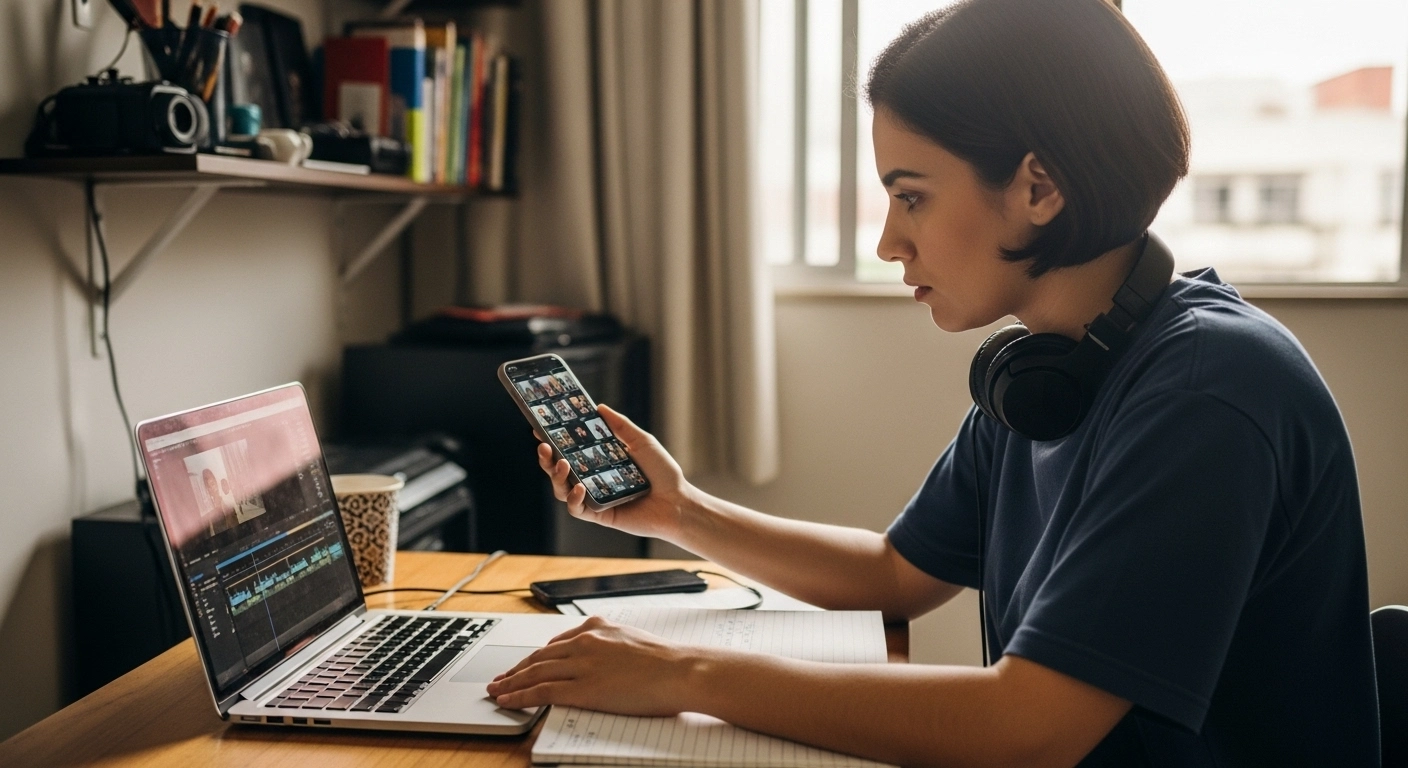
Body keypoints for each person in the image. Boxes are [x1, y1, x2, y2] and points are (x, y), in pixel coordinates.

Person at [486, 1, 1380, 765]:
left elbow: (1032, 730)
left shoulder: (1205, 391)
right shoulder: (1050, 369)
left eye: (909, 194)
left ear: (1038, 187)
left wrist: (682, 675)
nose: (887, 241)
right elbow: (897, 573)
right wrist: (681, 513)